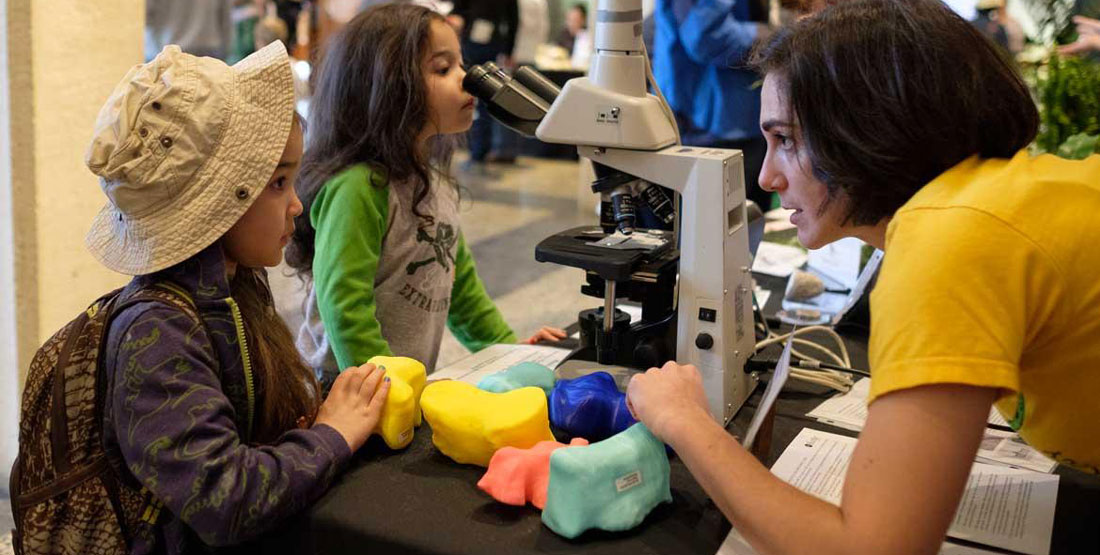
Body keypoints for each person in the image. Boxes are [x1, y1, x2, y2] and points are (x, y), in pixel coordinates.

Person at [626, 1, 1100, 552]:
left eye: (786, 139)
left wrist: (684, 420)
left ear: (867, 125)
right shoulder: (990, 201)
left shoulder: (951, 238)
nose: (767, 174)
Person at [85, 42, 389, 553]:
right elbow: (224, 499)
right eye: (277, 183)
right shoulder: (156, 334)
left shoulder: (234, 284)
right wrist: (332, 435)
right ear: (217, 203)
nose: (297, 205)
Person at [288, 4, 563, 383]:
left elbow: (461, 293)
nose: (466, 79)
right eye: (443, 68)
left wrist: (511, 354)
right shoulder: (357, 187)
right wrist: (387, 387)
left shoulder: (434, 184)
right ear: (388, 86)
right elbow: (345, 306)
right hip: (345, 388)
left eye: (461, 65)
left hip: (398, 387)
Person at [653, 0, 773, 212]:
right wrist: (769, 35)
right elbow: (706, 37)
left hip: (728, 116)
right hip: (712, 122)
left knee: (740, 223)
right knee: (717, 227)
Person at [449, 0, 520, 170]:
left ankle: (479, 150)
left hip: (488, 45)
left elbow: (513, 20)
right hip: (471, 44)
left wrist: (509, 51)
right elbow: (458, 9)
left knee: (485, 96)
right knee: (466, 93)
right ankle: (473, 149)